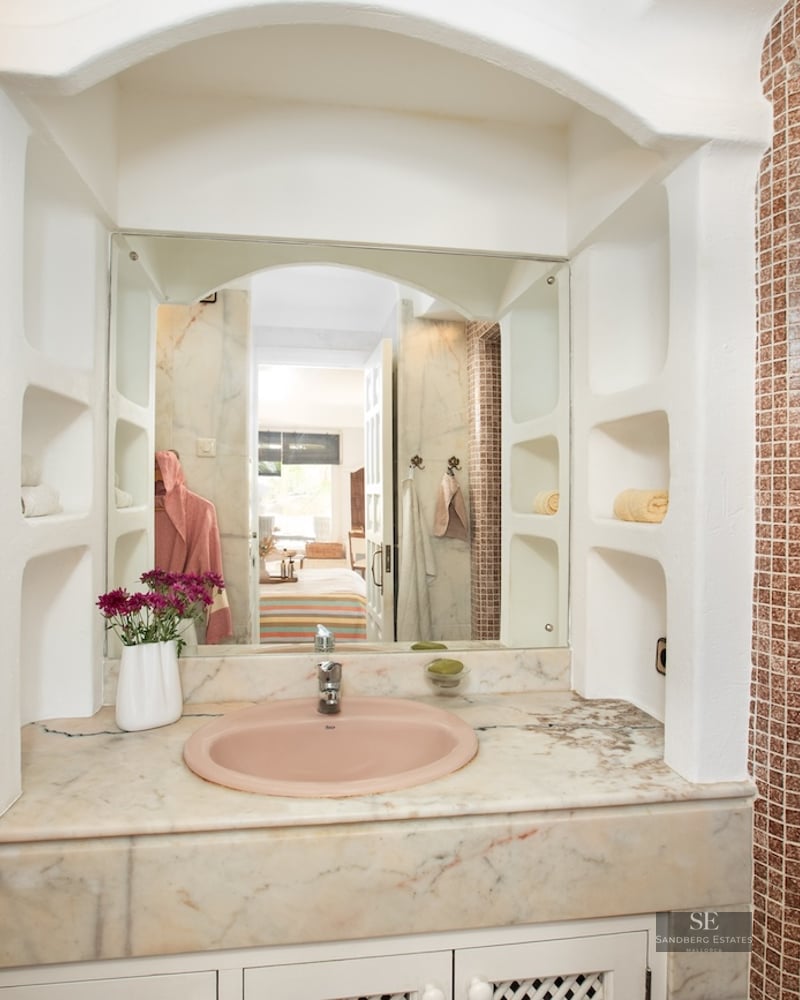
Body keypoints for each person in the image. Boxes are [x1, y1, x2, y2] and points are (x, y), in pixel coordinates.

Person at [154, 449, 232, 644]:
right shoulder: (135, 513)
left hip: (176, 613)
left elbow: (212, 568)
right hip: (139, 612)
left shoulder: (201, 510)